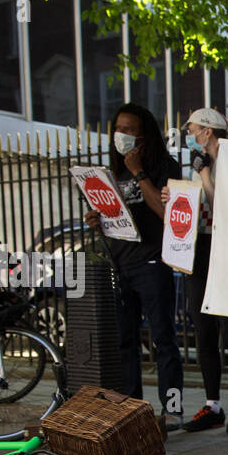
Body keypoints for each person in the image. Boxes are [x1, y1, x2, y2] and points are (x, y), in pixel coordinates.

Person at [84, 102, 185, 428]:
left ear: (144, 135)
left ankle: (173, 409)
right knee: (124, 341)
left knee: (163, 339)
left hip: (152, 262)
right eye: (118, 129)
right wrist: (96, 219)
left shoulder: (164, 166)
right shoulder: (113, 173)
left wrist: (140, 171)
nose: (121, 135)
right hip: (119, 264)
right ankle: (131, 406)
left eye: (129, 130)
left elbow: (166, 213)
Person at [163, 108, 228, 435]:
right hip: (200, 249)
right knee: (203, 331)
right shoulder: (203, 162)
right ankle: (212, 403)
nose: (189, 134)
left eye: (193, 129)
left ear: (208, 132)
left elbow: (223, 206)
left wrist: (203, 177)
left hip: (225, 250)